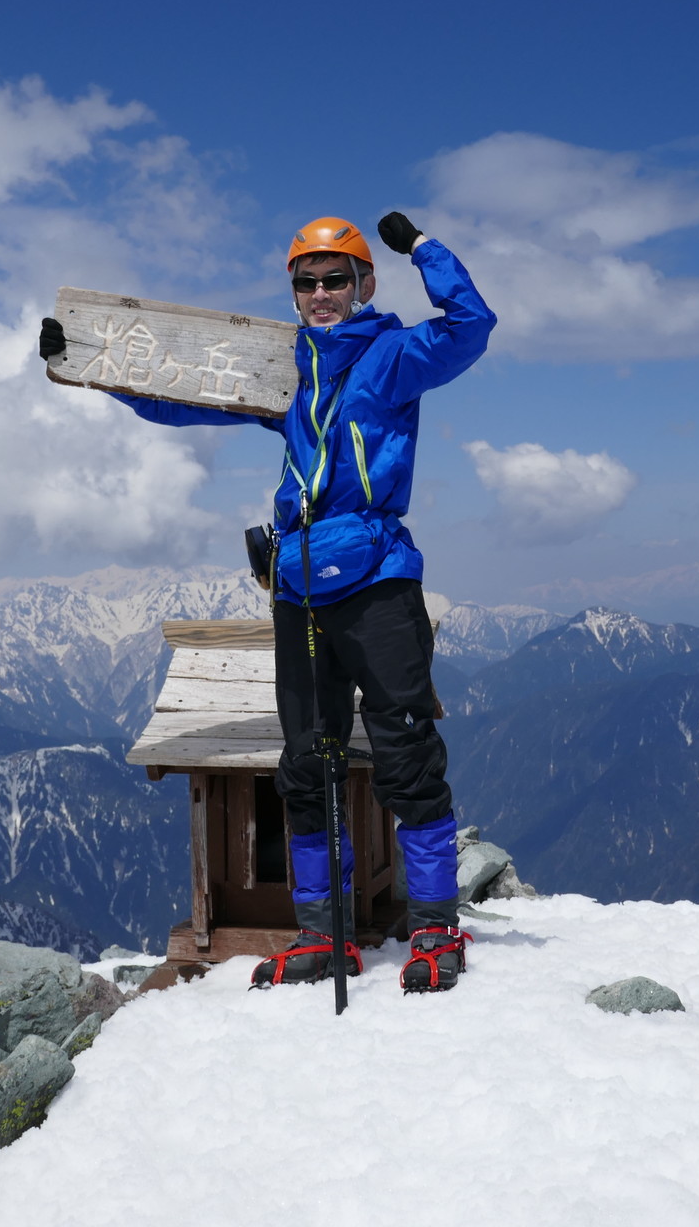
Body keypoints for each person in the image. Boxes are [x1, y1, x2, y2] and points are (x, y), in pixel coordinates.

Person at [39, 212, 495, 992]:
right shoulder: (286, 369)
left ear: (364, 284)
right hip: (300, 589)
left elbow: (470, 325)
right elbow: (188, 398)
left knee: (406, 756)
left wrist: (422, 247)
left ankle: (433, 931)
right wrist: (95, 365)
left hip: (380, 581)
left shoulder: (392, 357)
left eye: (336, 279)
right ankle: (325, 936)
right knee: (307, 763)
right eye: (306, 282)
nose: (320, 294)